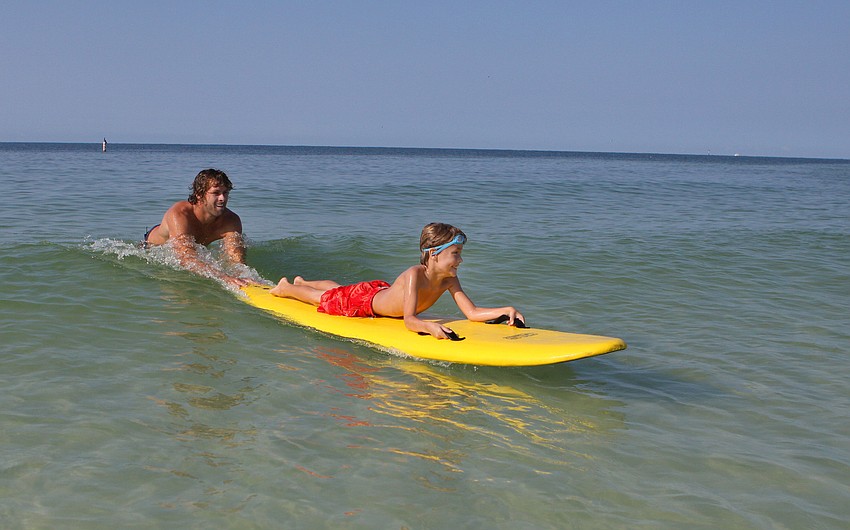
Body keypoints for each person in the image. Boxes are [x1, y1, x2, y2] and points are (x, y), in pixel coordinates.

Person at [269, 223, 524, 339]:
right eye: (455, 254)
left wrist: (505, 310)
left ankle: (303, 280)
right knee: (325, 298)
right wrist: (431, 328)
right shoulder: (415, 275)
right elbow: (410, 320)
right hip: (365, 302)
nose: (460, 261)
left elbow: (472, 312)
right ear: (434, 254)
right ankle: (288, 287)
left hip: (379, 291)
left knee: (338, 289)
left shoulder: (448, 280)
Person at [144, 168, 251, 287]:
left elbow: (235, 260)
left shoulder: (231, 220)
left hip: (190, 246)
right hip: (151, 248)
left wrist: (244, 277)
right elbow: (185, 258)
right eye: (216, 193)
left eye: (225, 193)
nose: (222, 198)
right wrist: (223, 277)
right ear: (199, 195)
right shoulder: (180, 214)